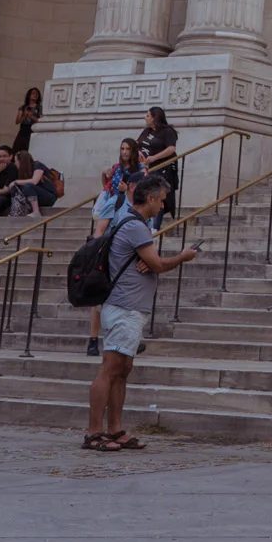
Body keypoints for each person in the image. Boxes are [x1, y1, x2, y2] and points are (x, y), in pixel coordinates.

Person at [84, 173, 201, 451]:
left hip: (130, 307)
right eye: (161, 200)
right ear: (149, 198)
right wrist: (182, 257)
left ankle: (114, 429)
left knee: (123, 369)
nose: (162, 206)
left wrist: (151, 262)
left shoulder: (135, 224)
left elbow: (148, 262)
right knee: (111, 369)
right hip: (124, 306)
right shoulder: (135, 225)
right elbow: (158, 264)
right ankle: (93, 432)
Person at [87, 138, 145, 355]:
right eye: (121, 149)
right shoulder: (116, 193)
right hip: (111, 252)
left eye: (127, 149)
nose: (124, 152)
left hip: (128, 255)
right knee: (99, 297)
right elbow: (100, 229)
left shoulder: (140, 173)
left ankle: (130, 337)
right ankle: (93, 339)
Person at [137, 108, 180, 211]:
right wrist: (138, 152)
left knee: (157, 195)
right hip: (146, 169)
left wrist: (153, 158)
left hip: (161, 168)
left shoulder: (167, 131)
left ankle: (155, 225)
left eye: (148, 116)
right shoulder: (147, 131)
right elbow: (136, 143)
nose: (145, 118)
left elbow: (171, 148)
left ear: (154, 118)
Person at [8, 149, 58, 217]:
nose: (15, 163)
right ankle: (16, 211)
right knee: (15, 188)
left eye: (16, 161)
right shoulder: (24, 172)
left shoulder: (38, 165)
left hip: (48, 196)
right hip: (35, 197)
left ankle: (36, 212)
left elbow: (34, 181)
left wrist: (16, 182)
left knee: (28, 186)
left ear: (21, 161)